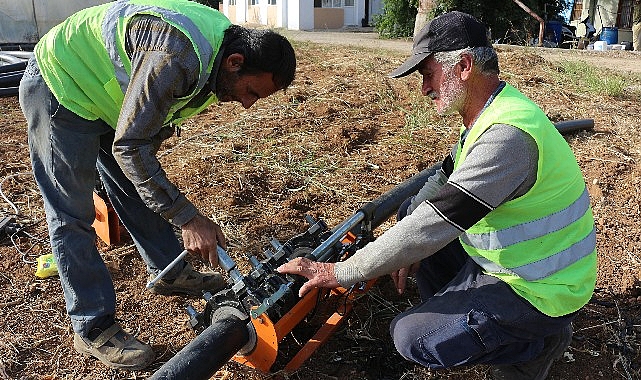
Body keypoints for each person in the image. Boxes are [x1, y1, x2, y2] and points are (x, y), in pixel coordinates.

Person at [278, 11, 596, 380]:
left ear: (463, 66)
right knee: (413, 220)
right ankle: (482, 321)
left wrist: (341, 270)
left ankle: (537, 346)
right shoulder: (491, 112)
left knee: (412, 338)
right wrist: (405, 239)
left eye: (428, 74)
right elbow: (442, 180)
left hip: (544, 290)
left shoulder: (507, 137)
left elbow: (435, 222)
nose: (424, 88)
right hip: (514, 264)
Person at [19, 0, 295, 371]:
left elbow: (141, 138)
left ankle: (169, 270)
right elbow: (131, 146)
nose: (247, 104)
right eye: (252, 92)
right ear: (236, 62)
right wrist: (189, 219)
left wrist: (161, 187)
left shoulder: (220, 53)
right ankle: (92, 327)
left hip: (107, 97)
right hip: (62, 83)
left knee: (135, 189)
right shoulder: (176, 55)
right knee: (72, 214)